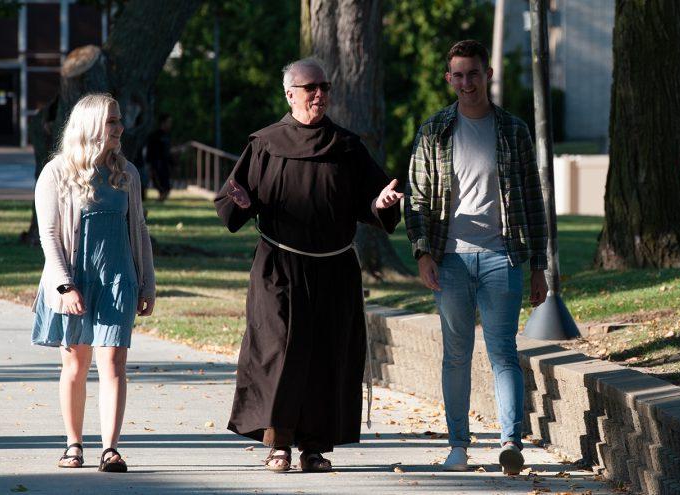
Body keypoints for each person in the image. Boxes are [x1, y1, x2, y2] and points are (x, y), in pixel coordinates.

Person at [215, 58, 403, 473]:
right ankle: (279, 442)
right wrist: (240, 202)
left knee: (325, 355)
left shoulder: (347, 147)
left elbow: (372, 201)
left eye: (325, 86)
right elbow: (231, 200)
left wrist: (381, 203)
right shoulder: (265, 143)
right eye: (310, 87)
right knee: (280, 351)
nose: (320, 94)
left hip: (333, 269)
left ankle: (314, 447)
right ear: (290, 94)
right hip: (278, 267)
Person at [404, 39, 548, 475]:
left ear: (488, 75)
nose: (467, 82)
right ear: (449, 79)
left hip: (502, 259)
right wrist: (423, 253)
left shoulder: (513, 130)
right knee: (455, 355)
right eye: (459, 75)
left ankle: (510, 443)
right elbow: (418, 198)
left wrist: (538, 265)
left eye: (474, 73)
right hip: (450, 260)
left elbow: (531, 200)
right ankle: (458, 446)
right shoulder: (435, 131)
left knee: (503, 352)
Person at [31, 93, 156, 473]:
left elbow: (139, 228)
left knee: (114, 364)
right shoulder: (56, 173)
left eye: (119, 122)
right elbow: (49, 235)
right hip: (74, 281)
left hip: (118, 278)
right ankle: (73, 444)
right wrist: (65, 286)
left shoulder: (127, 173)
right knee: (75, 365)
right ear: (90, 126)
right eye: (112, 122)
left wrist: (147, 282)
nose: (120, 129)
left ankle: (111, 449)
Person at [142, 114, 174, 202]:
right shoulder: (154, 136)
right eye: (168, 122)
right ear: (163, 123)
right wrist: (149, 164)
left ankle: (160, 199)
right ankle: (160, 199)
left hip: (165, 164)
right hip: (156, 163)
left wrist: (172, 162)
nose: (170, 124)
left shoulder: (168, 135)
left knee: (167, 186)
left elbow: (168, 151)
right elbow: (150, 150)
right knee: (159, 183)